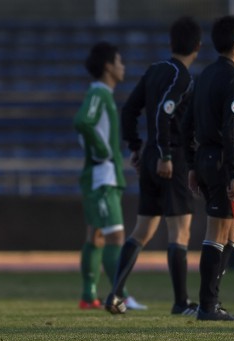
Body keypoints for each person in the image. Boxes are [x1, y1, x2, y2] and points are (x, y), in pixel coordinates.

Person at [105, 17, 202, 315]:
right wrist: (165, 156)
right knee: (180, 232)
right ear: (197, 47)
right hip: (169, 159)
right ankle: (180, 302)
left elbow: (130, 108)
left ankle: (115, 293)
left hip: (150, 156)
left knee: (143, 229)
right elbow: (163, 113)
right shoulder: (182, 77)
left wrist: (136, 147)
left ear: (171, 44)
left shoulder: (154, 70)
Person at [185, 15, 234, 321]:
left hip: (205, 159)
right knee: (217, 232)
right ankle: (207, 306)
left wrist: (191, 165)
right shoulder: (233, 80)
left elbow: (187, 124)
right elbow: (232, 129)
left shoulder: (204, 75)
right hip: (222, 162)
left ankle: (212, 301)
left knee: (229, 237)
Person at [73, 41, 146, 311]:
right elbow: (83, 121)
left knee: (95, 237)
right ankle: (121, 295)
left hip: (101, 175)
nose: (122, 67)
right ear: (108, 67)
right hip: (103, 178)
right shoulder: (100, 94)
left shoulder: (103, 95)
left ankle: (88, 295)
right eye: (119, 62)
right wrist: (103, 151)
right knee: (116, 238)